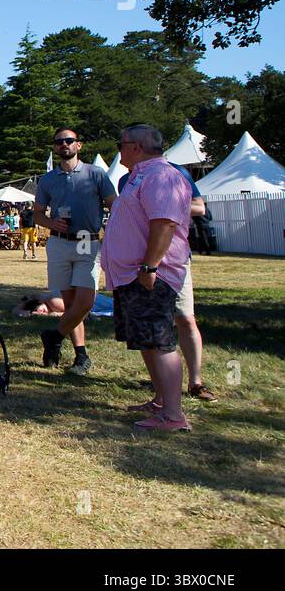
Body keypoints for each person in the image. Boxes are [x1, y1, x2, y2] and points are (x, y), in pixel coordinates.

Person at [100, 124, 193, 431]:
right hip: (133, 275)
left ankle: (174, 415)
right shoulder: (141, 176)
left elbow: (164, 224)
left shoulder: (161, 176)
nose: (119, 149)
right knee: (147, 341)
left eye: (121, 143)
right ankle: (161, 401)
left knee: (160, 341)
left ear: (135, 147)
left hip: (151, 275)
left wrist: (150, 266)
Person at [119, 162, 217, 403]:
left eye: (123, 145)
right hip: (140, 262)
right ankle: (161, 392)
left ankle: (195, 382)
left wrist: (162, 206)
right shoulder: (125, 180)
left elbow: (199, 207)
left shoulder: (177, 173)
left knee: (184, 318)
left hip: (172, 260)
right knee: (148, 328)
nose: (120, 152)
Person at [35, 127, 117, 375]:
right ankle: (80, 354)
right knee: (70, 304)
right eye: (59, 142)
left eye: (69, 141)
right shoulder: (48, 179)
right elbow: (38, 214)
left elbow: (115, 205)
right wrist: (51, 223)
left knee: (86, 301)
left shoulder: (96, 174)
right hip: (59, 241)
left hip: (86, 240)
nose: (64, 145)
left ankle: (54, 336)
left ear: (78, 145)